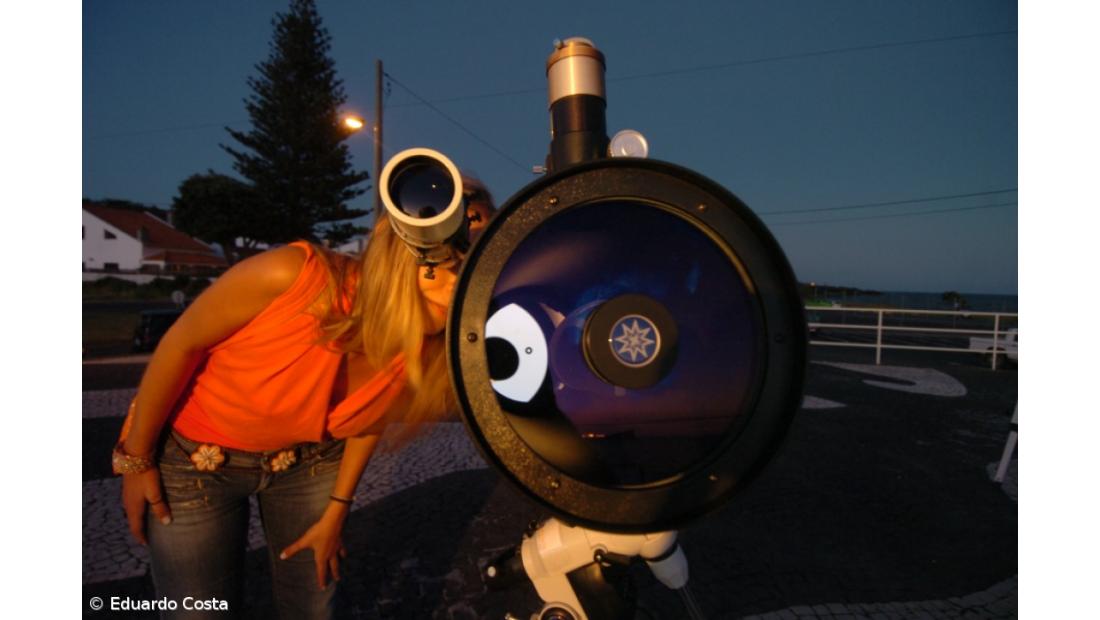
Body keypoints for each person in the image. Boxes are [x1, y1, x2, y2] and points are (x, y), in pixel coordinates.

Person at [113, 180, 496, 618]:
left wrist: (337, 510)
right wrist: (136, 457)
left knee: (314, 608)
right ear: (405, 246)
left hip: (308, 465)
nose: (459, 286)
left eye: (478, 268)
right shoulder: (293, 275)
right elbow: (181, 344)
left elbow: (370, 418)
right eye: (449, 256)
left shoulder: (427, 352)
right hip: (197, 462)